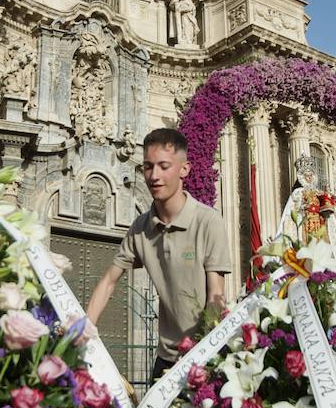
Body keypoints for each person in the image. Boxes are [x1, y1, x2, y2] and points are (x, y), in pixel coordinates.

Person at [86, 128, 231, 381]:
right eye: (148, 167)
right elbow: (109, 281)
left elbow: (215, 296)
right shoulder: (140, 229)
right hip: (165, 359)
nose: (154, 176)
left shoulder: (208, 222)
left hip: (203, 356)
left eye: (164, 166)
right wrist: (85, 329)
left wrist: (205, 357)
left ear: (184, 169)